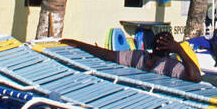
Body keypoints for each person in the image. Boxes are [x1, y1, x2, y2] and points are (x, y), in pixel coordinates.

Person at [61, 30, 202, 82]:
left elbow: (106, 54)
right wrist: (180, 50)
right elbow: (195, 77)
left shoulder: (166, 65)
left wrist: (78, 44)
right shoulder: (142, 57)